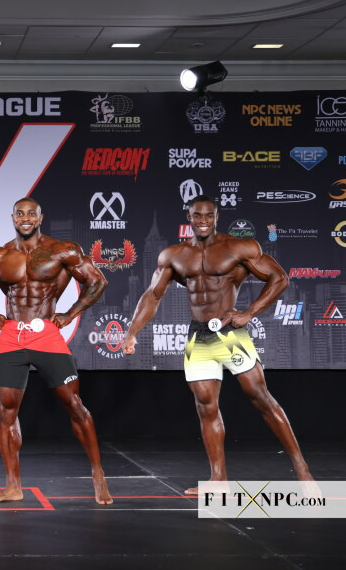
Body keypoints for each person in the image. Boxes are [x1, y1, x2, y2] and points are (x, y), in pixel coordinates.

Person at [121, 194, 316, 495]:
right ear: (189, 217)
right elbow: (153, 295)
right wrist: (132, 332)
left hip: (230, 335)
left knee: (260, 396)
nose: (203, 221)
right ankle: (218, 480)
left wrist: (249, 313)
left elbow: (279, 278)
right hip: (198, 337)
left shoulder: (237, 247)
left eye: (208, 215)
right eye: (197, 215)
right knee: (206, 406)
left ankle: (303, 472)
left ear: (216, 217)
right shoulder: (174, 254)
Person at [0, 197, 112, 505]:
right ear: (13, 218)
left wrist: (70, 313)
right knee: (5, 412)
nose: (25, 218)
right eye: (20, 214)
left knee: (74, 404)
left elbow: (97, 281)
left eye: (31, 213)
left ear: (40, 217)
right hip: (11, 335)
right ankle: (12, 486)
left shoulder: (61, 250)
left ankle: (98, 474)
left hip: (46, 333)